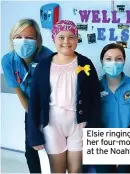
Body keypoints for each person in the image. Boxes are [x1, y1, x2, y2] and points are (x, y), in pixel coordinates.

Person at [27, 20, 101, 173]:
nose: (66, 41)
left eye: (71, 37)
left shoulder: (85, 63)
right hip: (52, 125)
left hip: (78, 124)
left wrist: (92, 128)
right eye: (61, 37)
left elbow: (95, 99)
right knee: (57, 169)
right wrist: (33, 133)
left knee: (76, 169)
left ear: (77, 39)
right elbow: (34, 101)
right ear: (54, 39)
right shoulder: (43, 66)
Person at [1, 18, 53, 173]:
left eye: (29, 37)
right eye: (18, 37)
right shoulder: (8, 60)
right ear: (12, 39)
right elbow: (20, 93)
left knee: (50, 150)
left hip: (50, 106)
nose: (23, 41)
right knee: (31, 149)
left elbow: (49, 96)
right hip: (29, 106)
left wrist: (42, 124)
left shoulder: (48, 58)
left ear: (38, 40)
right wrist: (33, 127)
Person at [93, 43, 130, 173]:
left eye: (118, 58)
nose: (113, 62)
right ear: (102, 62)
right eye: (108, 59)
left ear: (124, 61)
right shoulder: (95, 86)